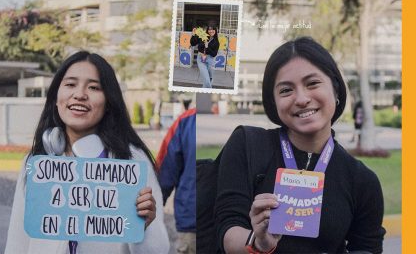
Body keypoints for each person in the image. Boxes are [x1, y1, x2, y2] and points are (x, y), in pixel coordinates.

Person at [215, 37, 385, 253]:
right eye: (286, 90)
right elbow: (226, 228)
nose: (302, 98)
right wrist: (258, 243)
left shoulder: (361, 179)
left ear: (335, 89)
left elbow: (367, 248)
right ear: (274, 102)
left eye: (312, 83)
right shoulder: (247, 145)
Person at [5, 51, 170, 254]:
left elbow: (157, 250)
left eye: (93, 87)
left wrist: (144, 226)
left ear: (108, 102)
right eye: (70, 84)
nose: (80, 94)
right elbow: (17, 241)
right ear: (56, 98)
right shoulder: (35, 162)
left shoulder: (134, 162)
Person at [155, 97, 196, 254]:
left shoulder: (186, 122)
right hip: (194, 221)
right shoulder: (185, 122)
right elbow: (166, 170)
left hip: (194, 220)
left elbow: (165, 172)